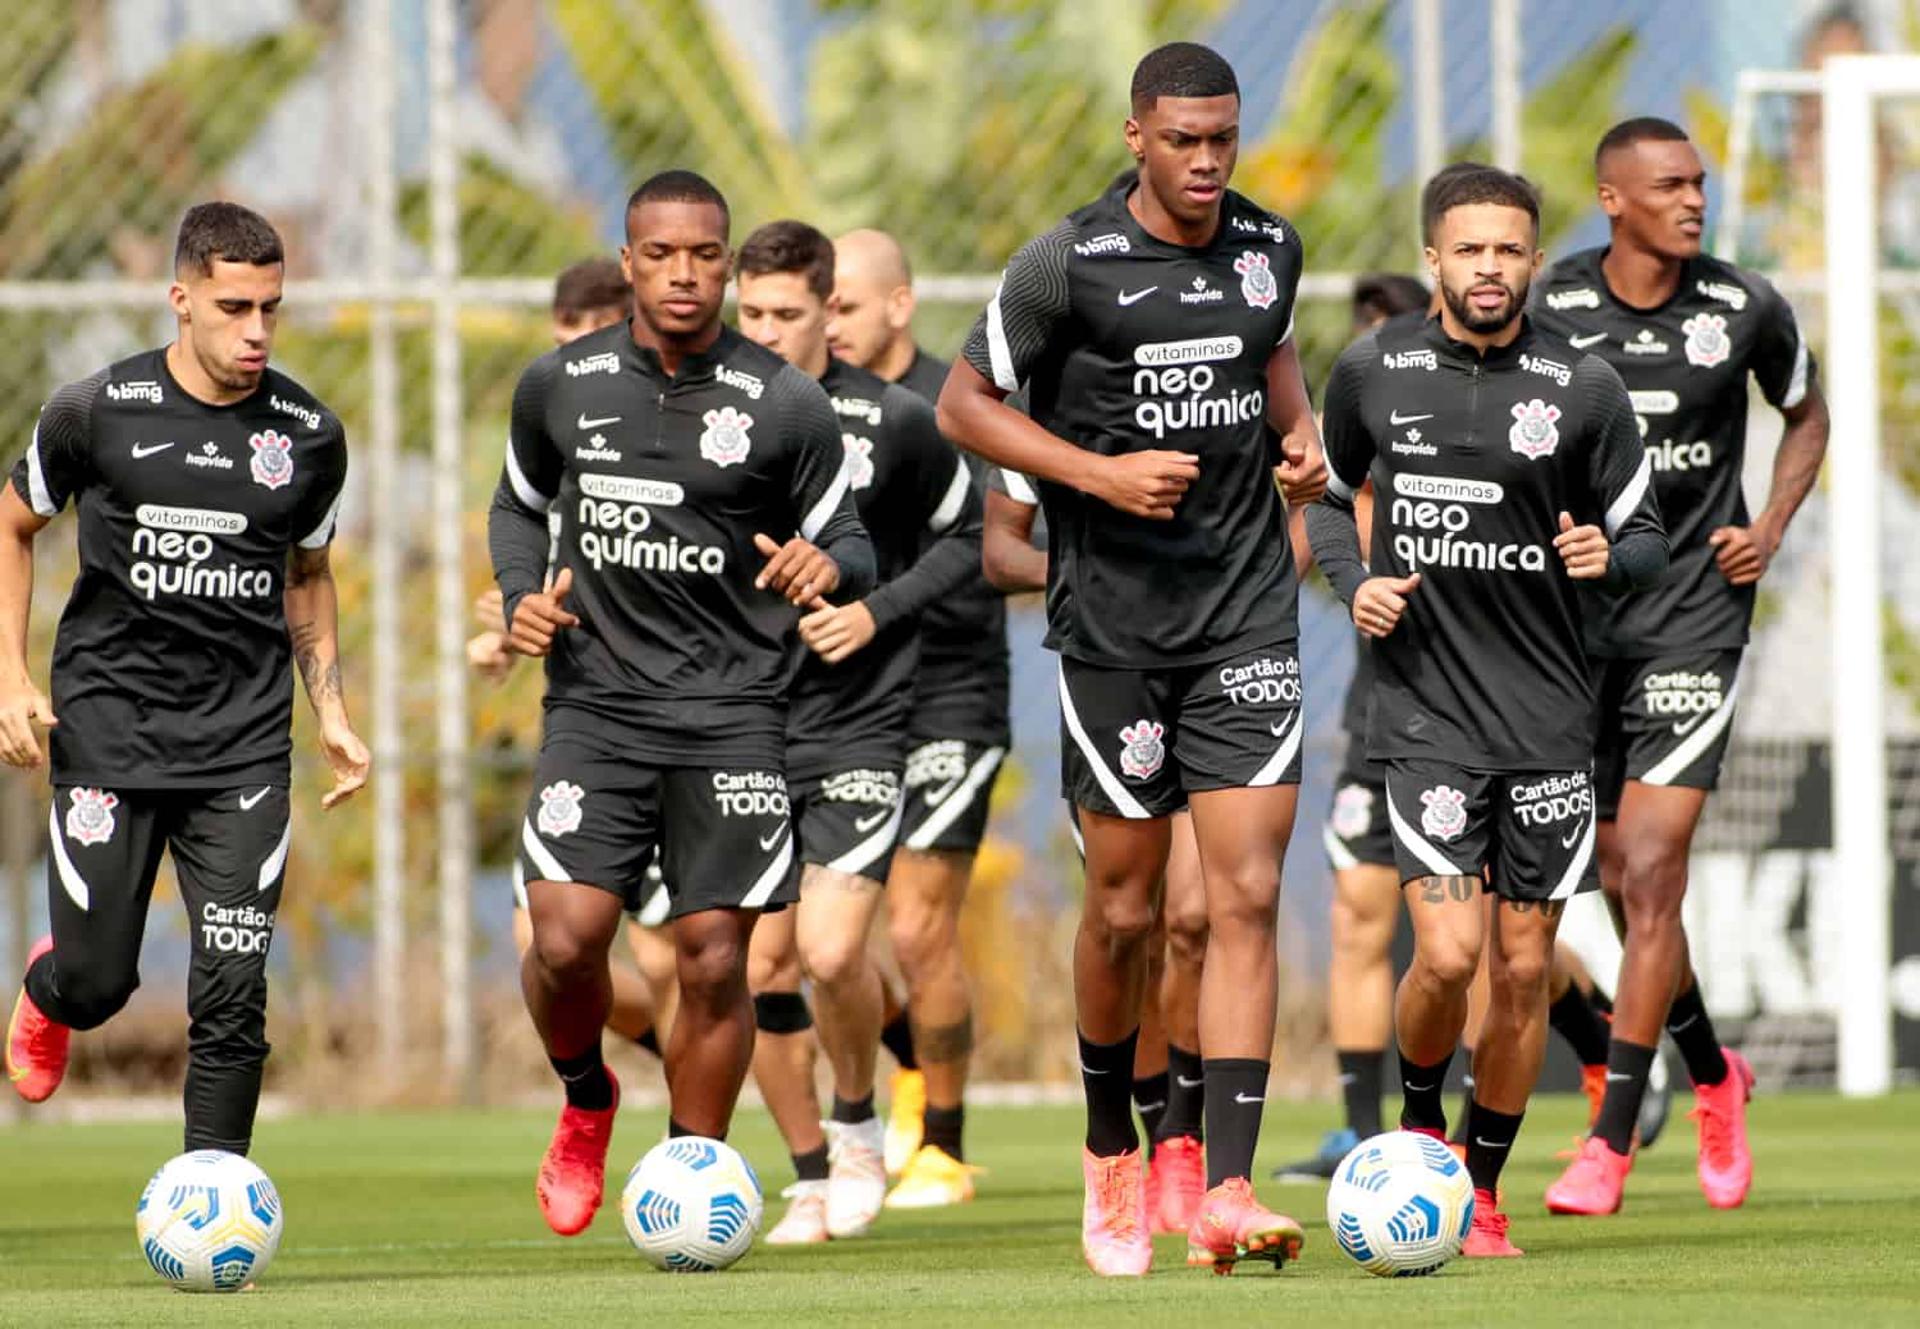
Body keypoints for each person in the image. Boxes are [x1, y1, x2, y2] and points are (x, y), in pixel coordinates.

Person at [941, 42, 1326, 1277]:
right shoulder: (1067, 263)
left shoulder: (1270, 247)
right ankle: (1113, 1143)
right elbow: (963, 404)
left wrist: (1304, 439)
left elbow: (1272, 365)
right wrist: (1096, 474)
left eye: (1223, 138)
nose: (1207, 162)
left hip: (1247, 613)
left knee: (1242, 899)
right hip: (1111, 626)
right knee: (1125, 908)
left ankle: (1220, 1178)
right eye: (1183, 140)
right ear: (1136, 137)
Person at [489, 171, 873, 1239]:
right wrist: (523, 597)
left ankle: (694, 1171)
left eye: (706, 254)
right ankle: (586, 1098)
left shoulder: (783, 401)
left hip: (733, 714)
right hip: (596, 712)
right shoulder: (559, 386)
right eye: (661, 254)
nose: (685, 273)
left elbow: (852, 539)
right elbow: (516, 509)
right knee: (566, 942)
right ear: (628, 261)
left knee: (714, 958)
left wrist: (820, 566)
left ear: (730, 261)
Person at [1309, 163, 1668, 1257]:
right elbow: (1327, 500)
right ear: (1434, 258)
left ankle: (1483, 1184)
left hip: (1552, 723)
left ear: (1534, 259)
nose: (1489, 268)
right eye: (1469, 249)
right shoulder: (1374, 370)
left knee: (1522, 968)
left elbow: (1648, 535)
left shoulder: (1585, 387)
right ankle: (1420, 1134)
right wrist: (1352, 582)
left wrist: (1612, 554)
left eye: (1509, 250)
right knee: (1450, 954)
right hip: (1426, 722)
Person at [2, 202, 368, 1156]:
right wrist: (9, 674)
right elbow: (11, 525)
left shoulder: (309, 436)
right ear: (181, 299)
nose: (256, 331)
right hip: (109, 738)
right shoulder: (93, 412)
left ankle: (213, 1191)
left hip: (242, 749)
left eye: (271, 310)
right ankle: (53, 989)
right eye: (235, 306)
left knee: (233, 988)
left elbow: (310, 576)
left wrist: (331, 709)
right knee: (99, 984)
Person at [1534, 117, 1827, 1216]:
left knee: (1653, 870)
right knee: (1611, 874)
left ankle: (1611, 1138)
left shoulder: (1743, 306)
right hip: (1573, 624)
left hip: (1695, 618)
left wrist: (1775, 526)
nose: (1693, 201)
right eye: (1669, 186)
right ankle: (1717, 1072)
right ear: (1613, 199)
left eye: (1699, 184)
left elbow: (1808, 415)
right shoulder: (1551, 306)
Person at [733, 219, 981, 1243]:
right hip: (736, 724)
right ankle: (809, 1171)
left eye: (787, 314)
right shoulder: (707, 414)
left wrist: (874, 611)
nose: (766, 331)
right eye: (750, 314)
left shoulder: (893, 419)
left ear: (830, 313)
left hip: (856, 722)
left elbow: (970, 539)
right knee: (752, 970)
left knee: (836, 954)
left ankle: (857, 1126)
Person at [984, 461, 1214, 1236]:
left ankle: (1184, 1136)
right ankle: (1134, 1138)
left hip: (1220, 660)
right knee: (1130, 925)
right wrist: (1098, 574)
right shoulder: (1041, 407)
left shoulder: (1223, 370)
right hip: (1111, 674)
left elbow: (1308, 504)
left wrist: (1255, 587)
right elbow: (998, 552)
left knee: (1196, 916)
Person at [831, 227, 1012, 1204]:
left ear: (899, 304)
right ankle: (899, 1072)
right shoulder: (808, 409)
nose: (830, 327)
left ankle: (941, 1139)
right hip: (840, 700)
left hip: (948, 693)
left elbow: (996, 553)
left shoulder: (958, 407)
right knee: (816, 934)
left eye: (846, 306)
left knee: (917, 925)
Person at [468, 256, 677, 1060]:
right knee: (549, 946)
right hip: (589, 729)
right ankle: (604, 1080)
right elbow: (539, 562)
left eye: (593, 335)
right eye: (565, 337)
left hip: (690, 726)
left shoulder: (679, 431)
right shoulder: (557, 433)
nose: (578, 357)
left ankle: (704, 1127)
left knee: (676, 958)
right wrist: (508, 632)